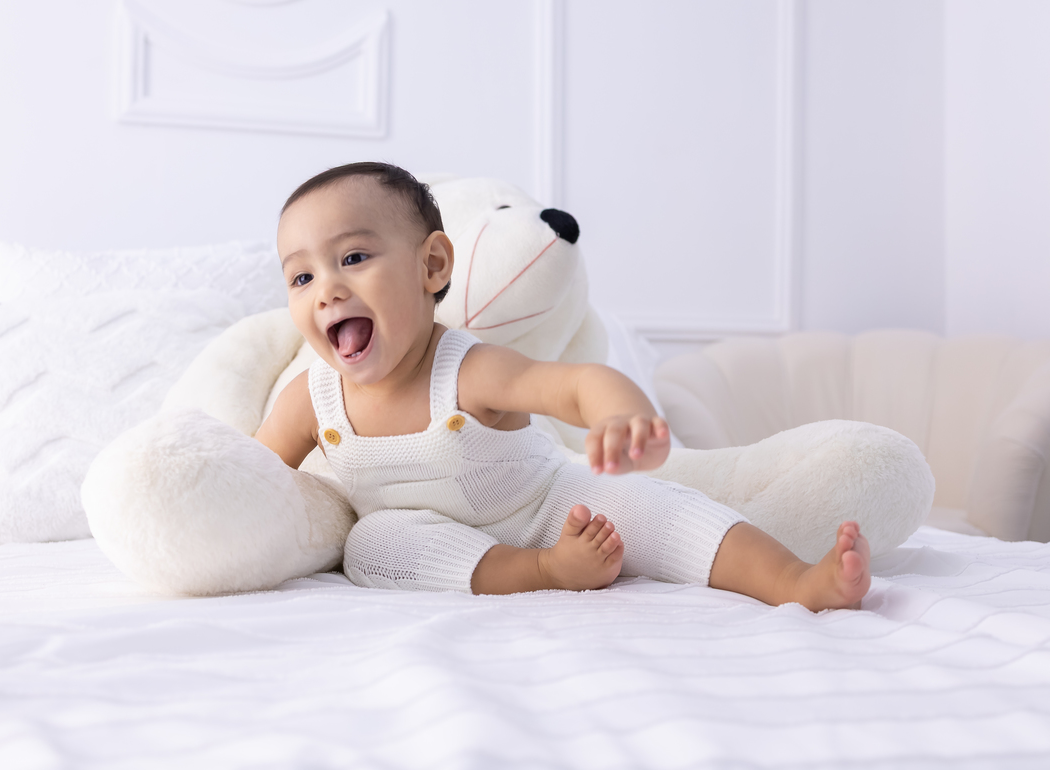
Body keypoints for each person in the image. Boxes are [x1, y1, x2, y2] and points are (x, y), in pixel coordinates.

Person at [255, 162, 871, 609]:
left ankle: (795, 581)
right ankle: (547, 573)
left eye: (354, 258)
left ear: (432, 266)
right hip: (441, 541)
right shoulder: (313, 399)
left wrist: (621, 418)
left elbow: (576, 385)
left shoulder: (465, 370)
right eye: (301, 277)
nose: (327, 289)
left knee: (660, 513)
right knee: (373, 546)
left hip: (552, 506)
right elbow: (253, 474)